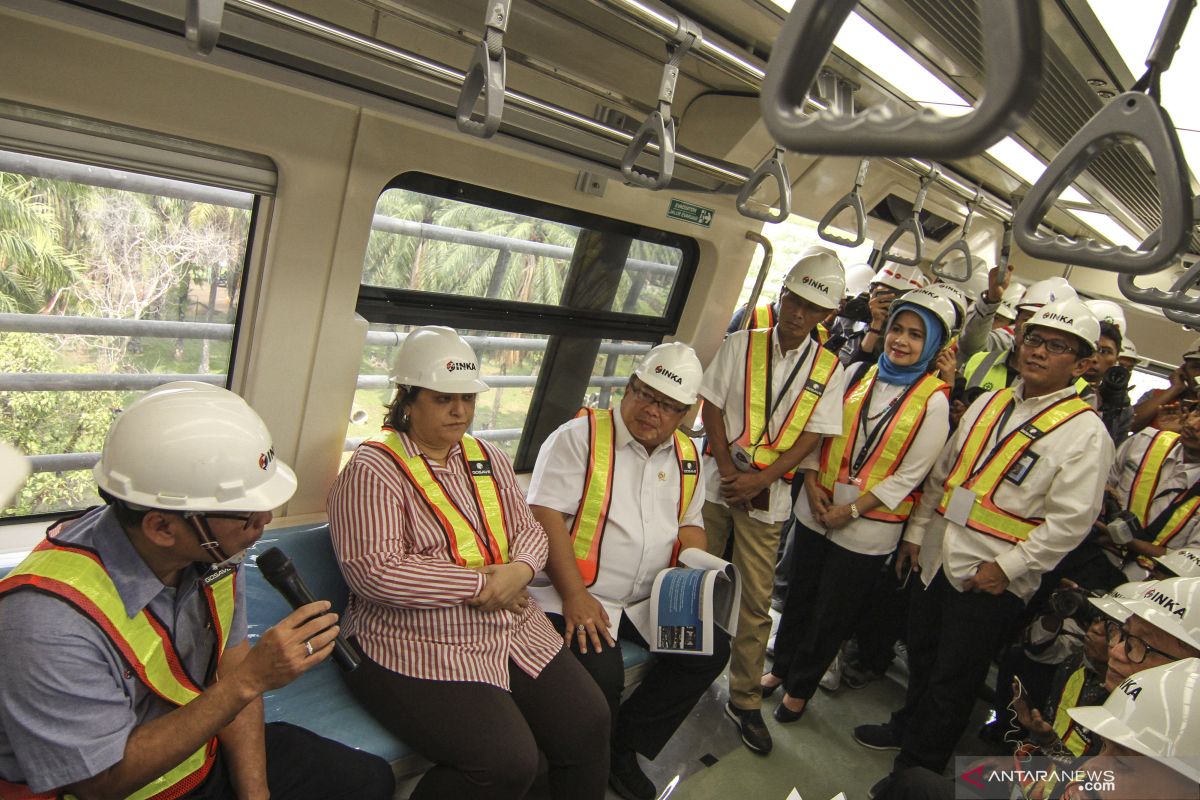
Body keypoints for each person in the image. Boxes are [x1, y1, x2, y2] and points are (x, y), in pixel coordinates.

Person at [0, 382, 394, 800]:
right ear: (162, 527)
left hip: (202, 753)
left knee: (368, 780)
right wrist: (252, 680)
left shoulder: (214, 548)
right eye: (247, 517)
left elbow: (229, 665)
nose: (262, 523)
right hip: (123, 787)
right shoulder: (44, 623)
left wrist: (256, 794)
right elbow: (101, 782)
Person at [328, 326, 609, 800]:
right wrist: (481, 585)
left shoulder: (488, 458)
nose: (460, 411)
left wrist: (519, 572)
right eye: (443, 399)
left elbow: (529, 532)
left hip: (511, 624)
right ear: (408, 401)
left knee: (589, 722)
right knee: (506, 763)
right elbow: (376, 571)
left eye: (467, 399)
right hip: (415, 639)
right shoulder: (372, 470)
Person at [855, 298, 1114, 789]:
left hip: (991, 576)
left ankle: (917, 769)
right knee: (923, 654)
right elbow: (944, 474)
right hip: (937, 556)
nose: (1037, 351)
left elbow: (1070, 523)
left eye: (1055, 347)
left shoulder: (1085, 433)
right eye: (1033, 339)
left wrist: (1009, 567)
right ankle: (906, 729)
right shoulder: (991, 401)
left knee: (955, 676)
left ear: (1081, 366)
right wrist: (916, 535)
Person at [526, 341, 728, 800]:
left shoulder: (687, 455)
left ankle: (623, 747)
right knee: (603, 676)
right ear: (630, 387)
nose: (651, 411)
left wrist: (690, 580)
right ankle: (587, 767)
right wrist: (575, 595)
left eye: (668, 406)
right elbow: (545, 517)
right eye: (644, 394)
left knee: (709, 652)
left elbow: (690, 524)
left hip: (645, 602)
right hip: (570, 595)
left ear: (686, 413)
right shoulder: (579, 438)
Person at [761, 286, 953, 722]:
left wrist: (849, 510)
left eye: (916, 336)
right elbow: (815, 432)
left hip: (867, 527)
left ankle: (800, 687)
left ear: (934, 346)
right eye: (897, 329)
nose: (901, 341)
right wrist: (811, 484)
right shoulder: (854, 374)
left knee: (833, 612)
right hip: (816, 506)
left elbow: (910, 476)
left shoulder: (935, 401)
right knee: (799, 597)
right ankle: (781, 667)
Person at [700, 246, 847, 755]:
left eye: (812, 308)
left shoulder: (831, 369)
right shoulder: (742, 343)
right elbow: (712, 405)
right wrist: (724, 468)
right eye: (794, 300)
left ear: (826, 316)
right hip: (717, 483)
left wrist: (762, 480)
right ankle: (673, 669)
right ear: (782, 296)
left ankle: (743, 700)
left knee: (756, 601)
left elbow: (813, 438)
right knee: (687, 573)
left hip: (770, 497)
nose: (798, 314)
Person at [840, 262, 928, 366]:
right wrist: (875, 323)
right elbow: (852, 370)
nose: (886, 303)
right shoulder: (852, 319)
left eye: (894, 300)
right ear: (871, 293)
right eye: (881, 295)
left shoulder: (904, 342)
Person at [1131, 337, 1200, 433]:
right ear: (1183, 370)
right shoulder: (1156, 395)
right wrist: (1174, 389)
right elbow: (1130, 424)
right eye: (1196, 367)